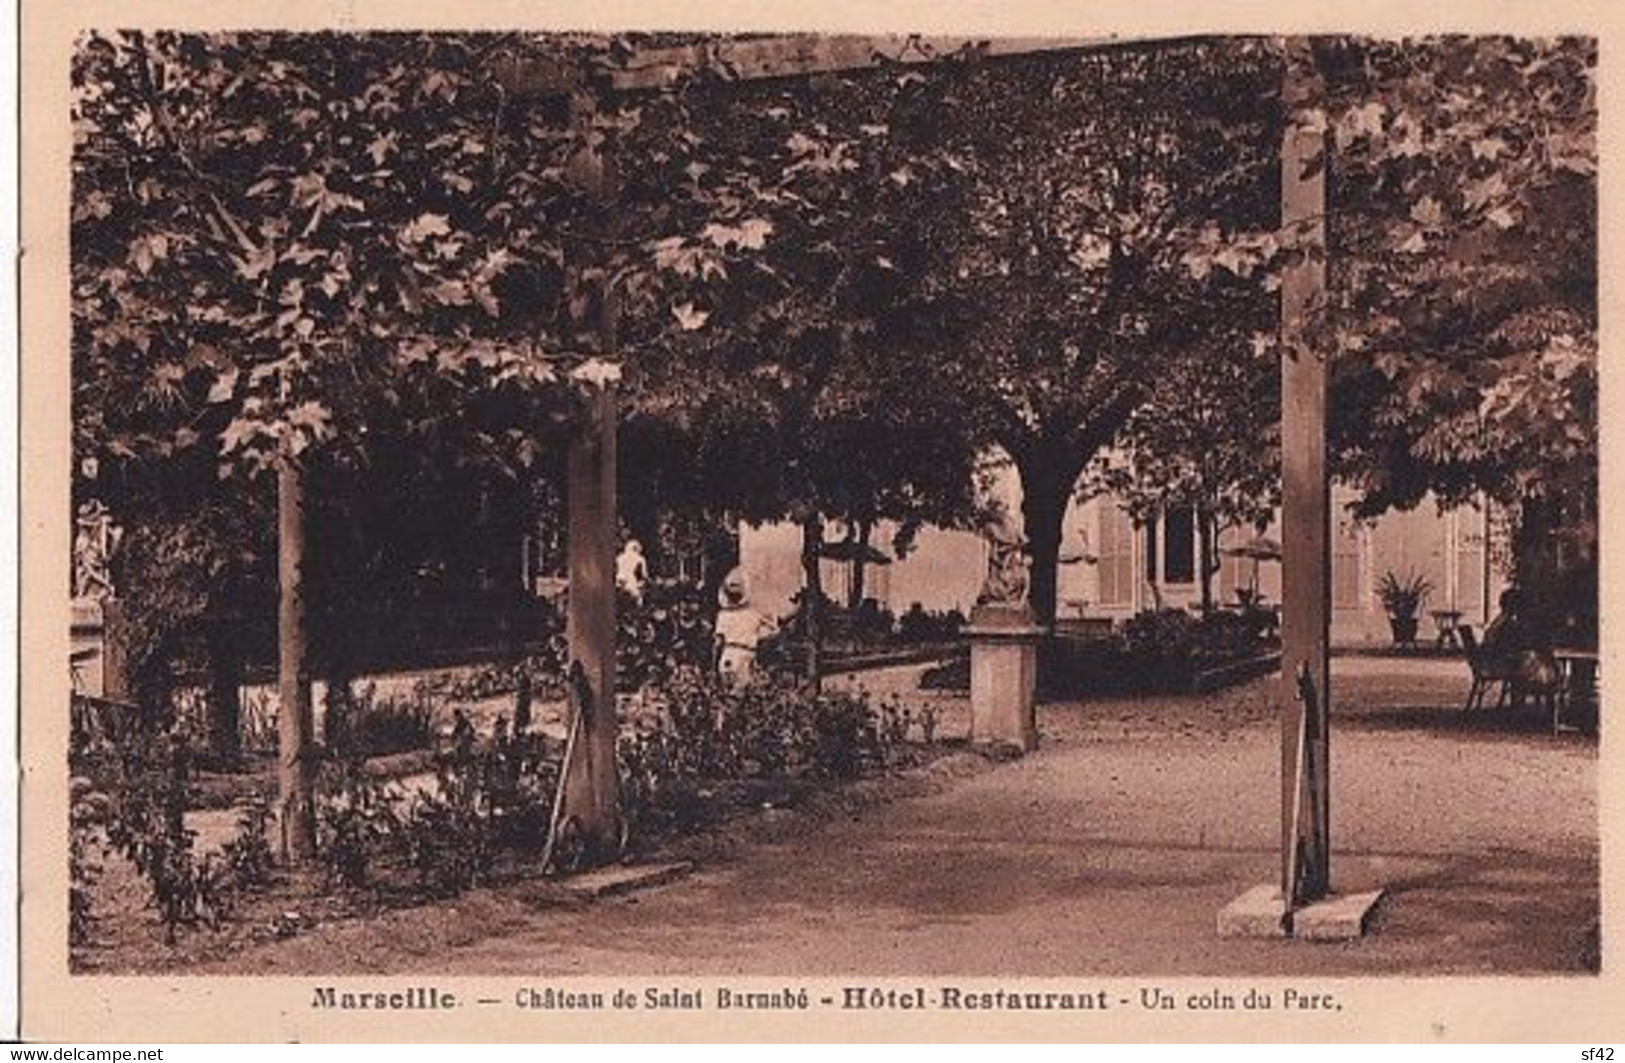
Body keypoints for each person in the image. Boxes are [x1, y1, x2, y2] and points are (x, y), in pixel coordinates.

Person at [713, 568, 775, 689]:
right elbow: (773, 631)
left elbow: (717, 643)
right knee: (743, 692)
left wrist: (713, 665)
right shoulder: (753, 615)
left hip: (727, 654)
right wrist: (757, 636)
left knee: (727, 692)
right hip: (745, 654)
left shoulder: (723, 615)